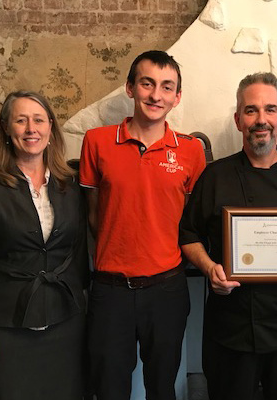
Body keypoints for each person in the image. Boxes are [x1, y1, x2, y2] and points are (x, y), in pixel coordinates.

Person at [179, 72, 277, 400]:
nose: (261, 119)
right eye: (251, 110)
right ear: (238, 120)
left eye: (270, 110)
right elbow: (188, 235)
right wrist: (208, 268)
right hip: (231, 328)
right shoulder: (215, 176)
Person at [79, 50, 206, 400]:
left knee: (162, 387)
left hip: (166, 289)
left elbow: (192, 221)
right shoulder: (97, 141)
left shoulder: (191, 151)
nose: (156, 95)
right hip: (110, 290)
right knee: (107, 388)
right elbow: (94, 215)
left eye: (167, 87)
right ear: (130, 87)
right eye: (147, 83)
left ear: (177, 97)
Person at [0, 91, 89, 399]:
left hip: (64, 319)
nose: (31, 129)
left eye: (39, 120)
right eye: (21, 120)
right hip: (4, 323)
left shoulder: (68, 183)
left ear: (50, 128)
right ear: (6, 128)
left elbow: (77, 249)